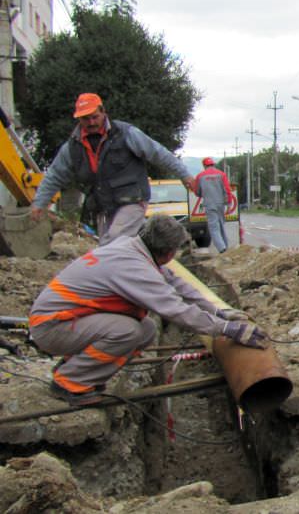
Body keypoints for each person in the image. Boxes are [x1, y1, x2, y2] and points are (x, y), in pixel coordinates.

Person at [28, 214, 266, 406]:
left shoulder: (133, 247)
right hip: (52, 327)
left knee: (147, 329)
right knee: (128, 331)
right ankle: (70, 381)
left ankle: (77, 368)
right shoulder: (134, 268)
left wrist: (219, 311)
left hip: (67, 322)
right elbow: (176, 309)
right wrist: (226, 329)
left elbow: (178, 284)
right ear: (169, 252)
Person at [30, 93, 196, 246]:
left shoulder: (126, 134)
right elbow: (54, 176)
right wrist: (39, 204)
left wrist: (185, 176)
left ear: (103, 112)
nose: (91, 122)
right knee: (108, 249)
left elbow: (158, 153)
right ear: (79, 119)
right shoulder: (72, 147)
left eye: (94, 117)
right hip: (104, 206)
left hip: (132, 199)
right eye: (85, 119)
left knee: (113, 243)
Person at [193, 157, 235, 253]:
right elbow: (227, 190)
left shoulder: (200, 176)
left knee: (213, 227)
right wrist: (229, 203)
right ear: (213, 164)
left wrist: (203, 193)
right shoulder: (221, 174)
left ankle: (222, 249)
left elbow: (197, 192)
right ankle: (225, 246)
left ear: (204, 165)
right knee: (220, 224)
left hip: (209, 204)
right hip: (220, 204)